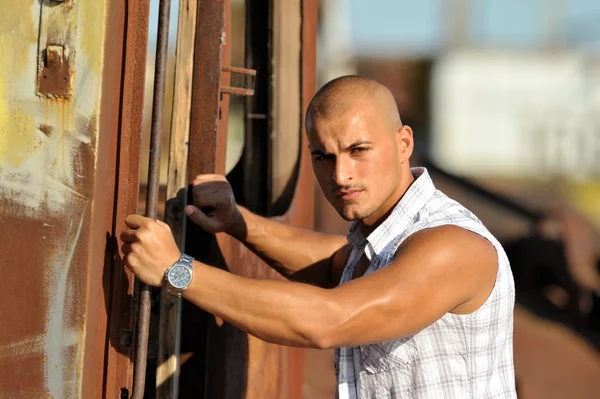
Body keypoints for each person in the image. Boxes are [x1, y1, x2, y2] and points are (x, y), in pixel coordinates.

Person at [121, 76, 517, 398]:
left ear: (404, 143)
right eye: (323, 156)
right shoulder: (384, 238)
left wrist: (177, 270)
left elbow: (329, 319)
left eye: (357, 150)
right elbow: (333, 263)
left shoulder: (451, 246)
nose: (340, 175)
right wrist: (238, 222)